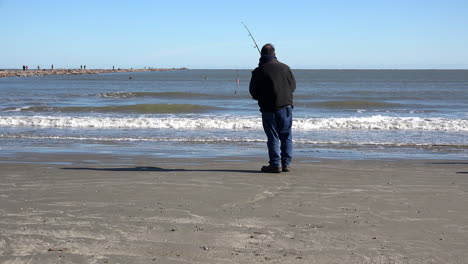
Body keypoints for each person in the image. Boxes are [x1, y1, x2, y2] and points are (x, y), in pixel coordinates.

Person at [249, 43, 296, 173]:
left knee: (273, 137)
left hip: (268, 108)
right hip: (286, 106)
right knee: (286, 135)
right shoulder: (285, 68)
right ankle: (286, 164)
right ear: (274, 54)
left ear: (261, 55)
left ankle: (275, 164)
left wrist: (261, 97)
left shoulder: (259, 71)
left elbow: (253, 92)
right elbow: (292, 87)